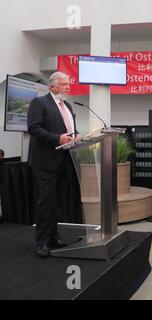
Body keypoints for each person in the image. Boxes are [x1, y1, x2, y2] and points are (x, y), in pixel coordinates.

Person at [27, 71, 81, 258]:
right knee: (46, 202)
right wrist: (57, 139)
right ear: (52, 86)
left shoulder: (67, 106)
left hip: (64, 162)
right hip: (45, 162)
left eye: (68, 84)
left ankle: (54, 237)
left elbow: (70, 129)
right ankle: (42, 242)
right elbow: (33, 128)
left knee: (57, 203)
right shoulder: (40, 103)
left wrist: (78, 135)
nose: (68, 87)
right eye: (64, 84)